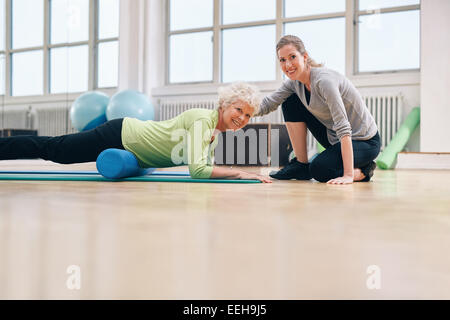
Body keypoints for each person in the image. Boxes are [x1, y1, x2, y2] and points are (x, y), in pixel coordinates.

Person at [0, 82, 271, 183]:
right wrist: (240, 172)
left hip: (129, 142)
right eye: (239, 109)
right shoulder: (203, 119)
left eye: (248, 115)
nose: (242, 118)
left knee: (56, 149)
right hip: (121, 135)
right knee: (55, 150)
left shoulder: (213, 129)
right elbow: (198, 170)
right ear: (224, 104)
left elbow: (201, 163)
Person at [256, 35, 380, 184]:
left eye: (292, 57)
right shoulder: (293, 84)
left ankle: (364, 170)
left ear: (305, 57)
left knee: (319, 170)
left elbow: (343, 126)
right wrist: (240, 113)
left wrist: (348, 175)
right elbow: (268, 104)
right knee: (290, 100)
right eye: (282, 60)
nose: (288, 64)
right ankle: (301, 165)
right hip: (335, 138)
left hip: (364, 141)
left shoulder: (324, 81)